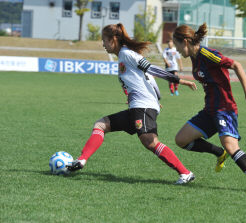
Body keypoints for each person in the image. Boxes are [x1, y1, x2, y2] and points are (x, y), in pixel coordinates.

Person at [67, 23, 197, 185]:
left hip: (142, 106)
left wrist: (180, 80)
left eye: (104, 40)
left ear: (114, 39)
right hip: (139, 106)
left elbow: (151, 70)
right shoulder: (122, 57)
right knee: (101, 124)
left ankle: (185, 173)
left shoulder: (127, 54)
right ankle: (81, 160)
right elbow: (146, 79)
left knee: (150, 142)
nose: (103, 44)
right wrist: (155, 99)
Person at [172, 23, 246, 194]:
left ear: (185, 42)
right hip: (209, 110)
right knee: (181, 139)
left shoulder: (207, 54)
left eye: (177, 45)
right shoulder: (194, 57)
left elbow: (236, 65)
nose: (177, 49)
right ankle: (219, 153)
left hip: (224, 108)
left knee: (231, 146)